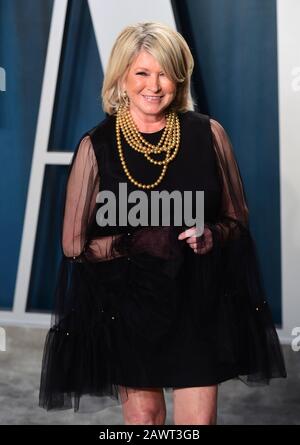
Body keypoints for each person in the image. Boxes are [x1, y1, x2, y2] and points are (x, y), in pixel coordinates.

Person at [39, 22, 286, 425]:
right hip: (128, 307)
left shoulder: (209, 134)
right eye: (142, 72)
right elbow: (73, 245)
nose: (154, 85)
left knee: (197, 425)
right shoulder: (96, 146)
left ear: (179, 78)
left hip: (198, 303)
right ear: (122, 76)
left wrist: (211, 234)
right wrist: (136, 241)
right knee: (145, 421)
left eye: (165, 73)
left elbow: (237, 220)